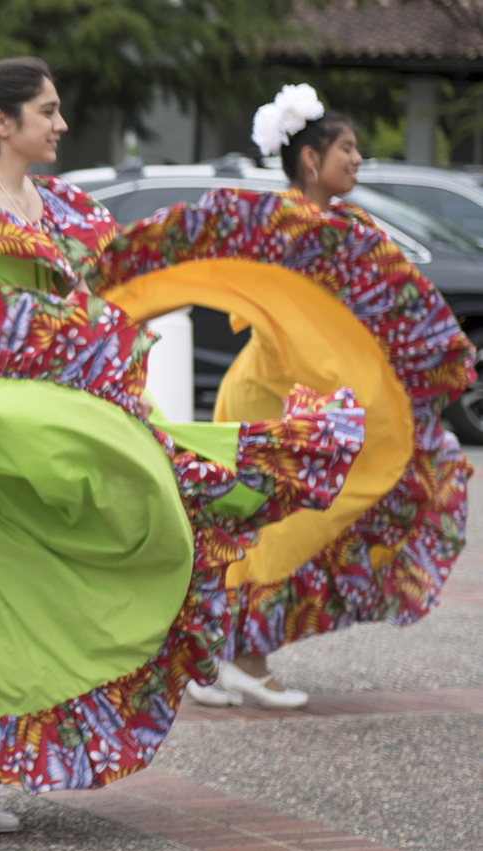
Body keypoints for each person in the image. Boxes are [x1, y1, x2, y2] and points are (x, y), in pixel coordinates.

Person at [0, 38, 364, 832]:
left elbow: (77, 320)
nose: (59, 124)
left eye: (56, 111)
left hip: (45, 436)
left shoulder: (53, 209)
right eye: (46, 112)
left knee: (29, 584)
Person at [96, 84, 473, 710]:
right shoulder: (281, 226)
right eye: (347, 148)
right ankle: (239, 655)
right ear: (309, 160)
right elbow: (219, 269)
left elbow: (390, 310)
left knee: (299, 519)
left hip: (320, 401)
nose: (357, 160)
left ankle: (221, 655)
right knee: (268, 529)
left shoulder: (351, 226)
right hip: (269, 398)